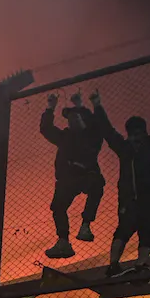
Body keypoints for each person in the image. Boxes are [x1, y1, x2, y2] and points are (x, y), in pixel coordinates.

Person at [91, 75, 150, 276]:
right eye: (132, 134)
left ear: (144, 133)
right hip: (130, 199)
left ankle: (141, 264)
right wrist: (97, 105)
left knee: (147, 233)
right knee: (123, 230)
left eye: (138, 134)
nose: (135, 138)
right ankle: (113, 265)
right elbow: (108, 132)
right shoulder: (125, 149)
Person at [40, 91, 105, 258]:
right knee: (58, 206)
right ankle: (63, 241)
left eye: (76, 117)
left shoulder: (92, 135)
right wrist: (50, 108)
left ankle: (85, 225)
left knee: (97, 184)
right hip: (67, 178)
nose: (72, 120)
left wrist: (81, 105)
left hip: (87, 174)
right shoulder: (65, 136)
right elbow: (46, 129)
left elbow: (99, 125)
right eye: (70, 118)